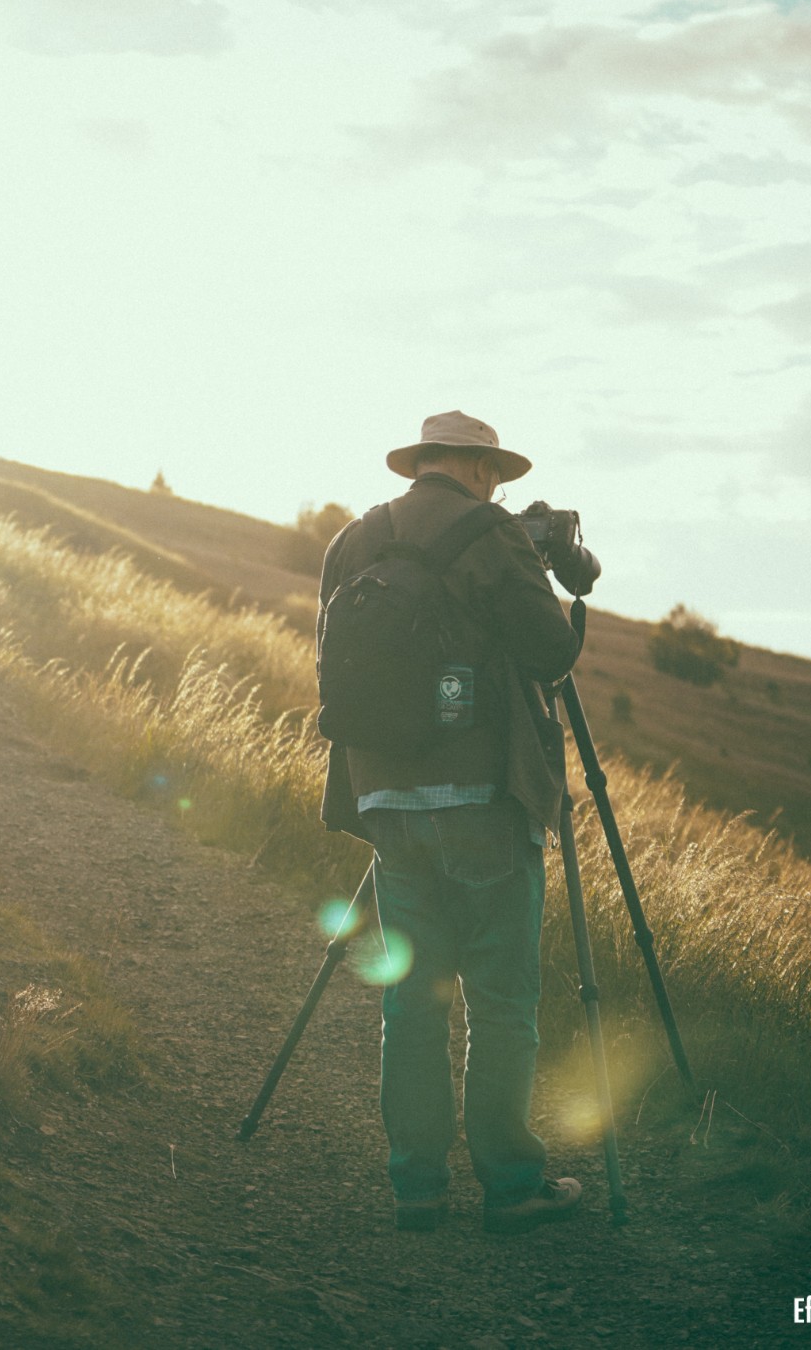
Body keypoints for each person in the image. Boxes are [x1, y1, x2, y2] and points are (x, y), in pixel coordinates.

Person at [318, 410, 587, 1235]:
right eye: (495, 475)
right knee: (501, 1002)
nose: (499, 489)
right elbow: (550, 654)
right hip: (482, 797)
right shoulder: (493, 534)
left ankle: (418, 1188)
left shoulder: (354, 540)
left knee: (413, 1006)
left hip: (382, 798)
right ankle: (510, 1186)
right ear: (473, 468)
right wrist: (557, 583)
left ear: (421, 464)